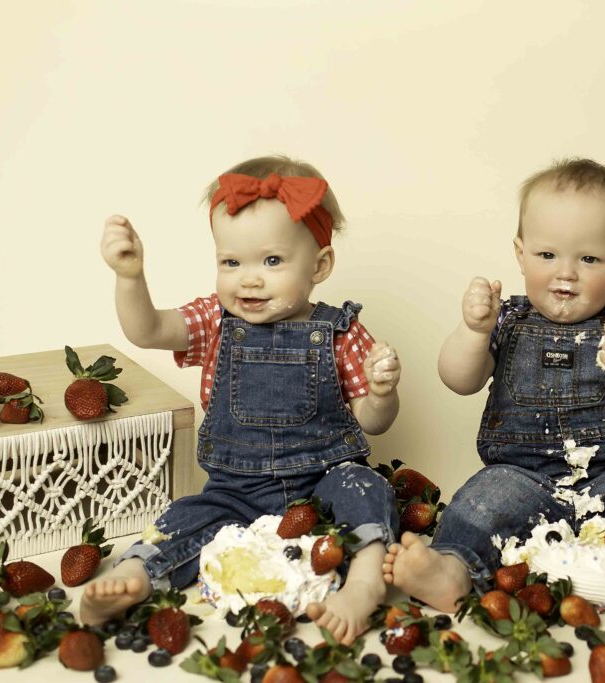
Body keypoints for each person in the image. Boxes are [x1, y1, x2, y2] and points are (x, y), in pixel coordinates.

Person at [383, 158, 605, 616]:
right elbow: (459, 379)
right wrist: (474, 331)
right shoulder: (507, 318)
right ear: (520, 254)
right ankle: (450, 572)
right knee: (478, 501)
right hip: (522, 475)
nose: (566, 273)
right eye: (547, 255)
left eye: (589, 258)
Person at [82, 155, 402, 645]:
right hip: (235, 489)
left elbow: (373, 423)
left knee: (366, 486)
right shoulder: (215, 320)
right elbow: (147, 330)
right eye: (231, 262)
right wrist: (130, 276)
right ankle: (136, 576)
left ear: (319, 265)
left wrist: (381, 392)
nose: (247, 279)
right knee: (186, 516)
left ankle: (362, 584)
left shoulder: (340, 331)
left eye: (272, 261)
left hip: (323, 483)